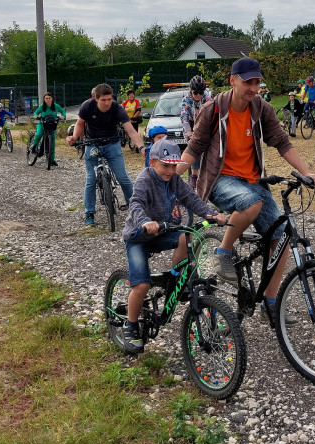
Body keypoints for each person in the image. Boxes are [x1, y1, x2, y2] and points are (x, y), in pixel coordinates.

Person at [178, 57, 315, 327]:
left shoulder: (261, 108)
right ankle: (223, 253)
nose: (254, 88)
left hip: (253, 181)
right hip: (221, 180)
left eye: (257, 82)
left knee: (279, 239)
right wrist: (171, 177)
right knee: (251, 202)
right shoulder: (212, 110)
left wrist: (306, 171)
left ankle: (270, 302)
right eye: (248, 82)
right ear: (233, 80)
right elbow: (194, 148)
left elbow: (281, 141)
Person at [119, 139, 228, 353]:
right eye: (165, 165)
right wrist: (144, 222)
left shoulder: (174, 180)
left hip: (163, 232)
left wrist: (210, 214)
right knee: (141, 285)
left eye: (174, 165)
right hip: (139, 237)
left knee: (185, 236)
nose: (170, 170)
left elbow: (190, 198)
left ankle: (178, 277)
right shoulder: (144, 179)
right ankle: (130, 325)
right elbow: (136, 203)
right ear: (153, 162)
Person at [67, 83, 145, 227]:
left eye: (109, 99)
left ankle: (135, 208)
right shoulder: (87, 106)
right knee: (91, 179)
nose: (107, 102)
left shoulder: (117, 108)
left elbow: (130, 130)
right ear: (96, 99)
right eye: (104, 100)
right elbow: (79, 124)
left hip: (112, 144)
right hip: (92, 144)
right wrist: (74, 137)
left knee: (123, 177)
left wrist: (141, 147)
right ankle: (89, 213)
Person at [179, 76, 208, 187]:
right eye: (195, 92)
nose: (198, 95)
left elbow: (212, 113)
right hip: (190, 125)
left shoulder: (207, 98)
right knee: (196, 148)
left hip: (203, 124)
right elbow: (184, 117)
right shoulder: (186, 100)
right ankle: (194, 176)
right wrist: (189, 132)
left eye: (200, 92)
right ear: (191, 90)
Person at [32, 94, 66, 168]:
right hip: (42, 124)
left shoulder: (56, 106)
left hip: (52, 125)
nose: (48, 99)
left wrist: (63, 116)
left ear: (52, 99)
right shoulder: (42, 106)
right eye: (46, 98)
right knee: (38, 134)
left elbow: (62, 111)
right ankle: (34, 146)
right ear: (44, 99)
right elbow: (36, 112)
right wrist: (35, 116)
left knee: (52, 143)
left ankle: (52, 160)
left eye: (49, 98)